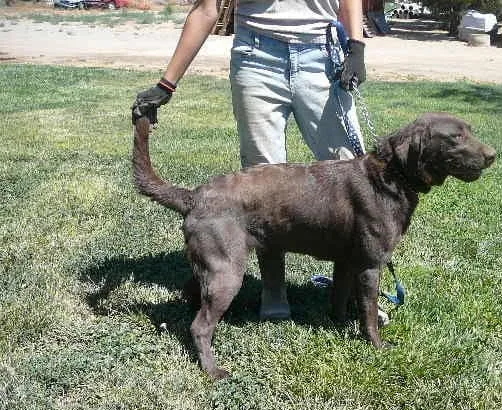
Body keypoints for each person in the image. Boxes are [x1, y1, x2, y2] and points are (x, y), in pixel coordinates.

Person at [132, 0, 367, 320]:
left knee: (353, 177)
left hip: (322, 56)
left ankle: (357, 292)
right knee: (263, 190)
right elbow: (206, 10)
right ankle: (274, 290)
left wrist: (356, 46)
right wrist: (166, 83)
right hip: (257, 57)